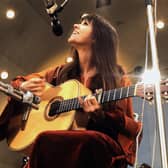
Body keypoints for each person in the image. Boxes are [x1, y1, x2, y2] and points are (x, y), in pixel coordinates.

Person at [0, 13, 142, 168]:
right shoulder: (60, 72)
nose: (75, 25)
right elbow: (19, 82)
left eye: (85, 24)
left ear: (97, 38)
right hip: (55, 147)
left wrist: (101, 116)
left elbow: (126, 128)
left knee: (51, 139)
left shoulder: (118, 80)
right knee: (45, 138)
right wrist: (23, 87)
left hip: (92, 152)